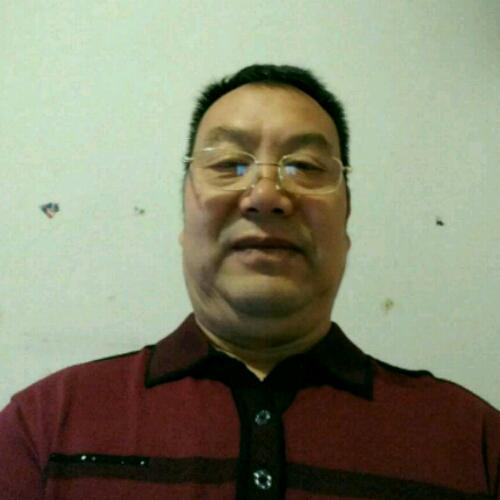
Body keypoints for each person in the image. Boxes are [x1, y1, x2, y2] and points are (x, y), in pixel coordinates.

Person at [0, 64, 498, 500]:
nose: (265, 195)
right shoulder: (44, 426)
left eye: (304, 166)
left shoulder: (472, 441)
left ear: (346, 224)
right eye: (228, 165)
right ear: (184, 222)